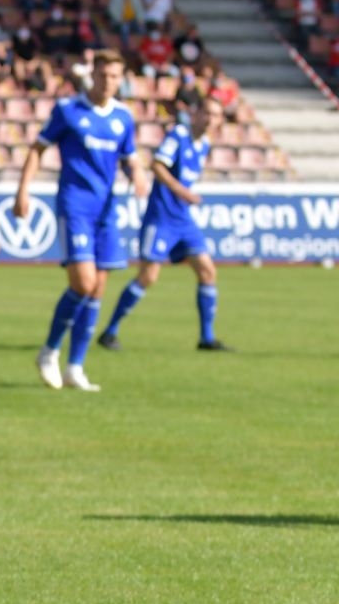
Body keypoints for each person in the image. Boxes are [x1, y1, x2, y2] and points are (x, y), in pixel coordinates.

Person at [16, 48, 147, 392]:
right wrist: (23, 191)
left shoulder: (123, 117)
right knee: (84, 283)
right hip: (75, 206)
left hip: (106, 210)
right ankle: (49, 351)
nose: (108, 81)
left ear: (122, 79)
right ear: (93, 74)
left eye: (115, 76)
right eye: (103, 75)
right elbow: (38, 149)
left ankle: (75, 366)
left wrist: (139, 175)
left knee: (99, 287)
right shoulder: (68, 110)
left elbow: (130, 158)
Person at [99, 97, 232, 353]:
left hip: (183, 219)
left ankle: (207, 337)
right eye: (206, 112)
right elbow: (158, 166)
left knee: (207, 271)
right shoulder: (179, 135)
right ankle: (110, 331)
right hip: (161, 218)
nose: (210, 119)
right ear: (195, 113)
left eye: (216, 115)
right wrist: (182, 191)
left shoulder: (204, 144)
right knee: (148, 276)